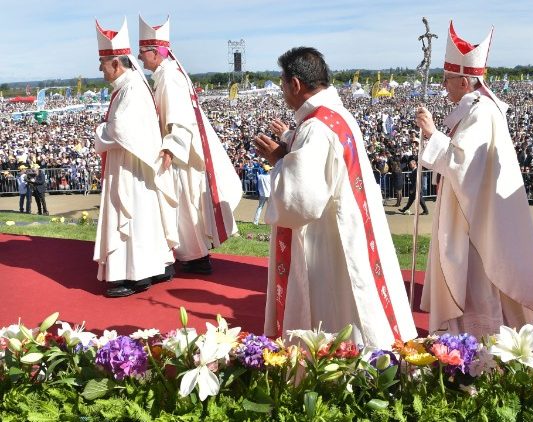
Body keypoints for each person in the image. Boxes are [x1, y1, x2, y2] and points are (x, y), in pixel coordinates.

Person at [253, 47, 417, 348]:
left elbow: (301, 200)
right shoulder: (335, 115)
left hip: (332, 240)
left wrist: (279, 161)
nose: (282, 91)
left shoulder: (316, 127)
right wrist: (291, 140)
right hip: (349, 225)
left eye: (282, 83)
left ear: (296, 84)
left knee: (341, 309)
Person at [414, 21, 533, 336]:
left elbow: (465, 165)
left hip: (475, 221)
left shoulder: (482, 112)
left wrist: (432, 134)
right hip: (470, 211)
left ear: (464, 81)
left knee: (477, 285)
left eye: (447, 80)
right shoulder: (473, 109)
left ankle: (478, 352)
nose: (443, 86)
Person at [139, 16, 242, 275]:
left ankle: (196, 257)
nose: (140, 59)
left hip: (181, 154)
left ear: (155, 53)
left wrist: (170, 148)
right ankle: (194, 255)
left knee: (185, 207)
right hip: (181, 151)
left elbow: (180, 119)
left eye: (142, 53)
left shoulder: (169, 77)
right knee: (186, 206)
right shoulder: (168, 73)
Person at [93, 18, 178, 297]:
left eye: (103, 64)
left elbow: (120, 129)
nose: (100, 69)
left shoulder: (131, 87)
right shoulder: (132, 84)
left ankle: (135, 275)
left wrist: (98, 130)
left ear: (117, 63)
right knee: (144, 217)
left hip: (130, 167)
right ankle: (151, 268)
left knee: (134, 216)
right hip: (135, 163)